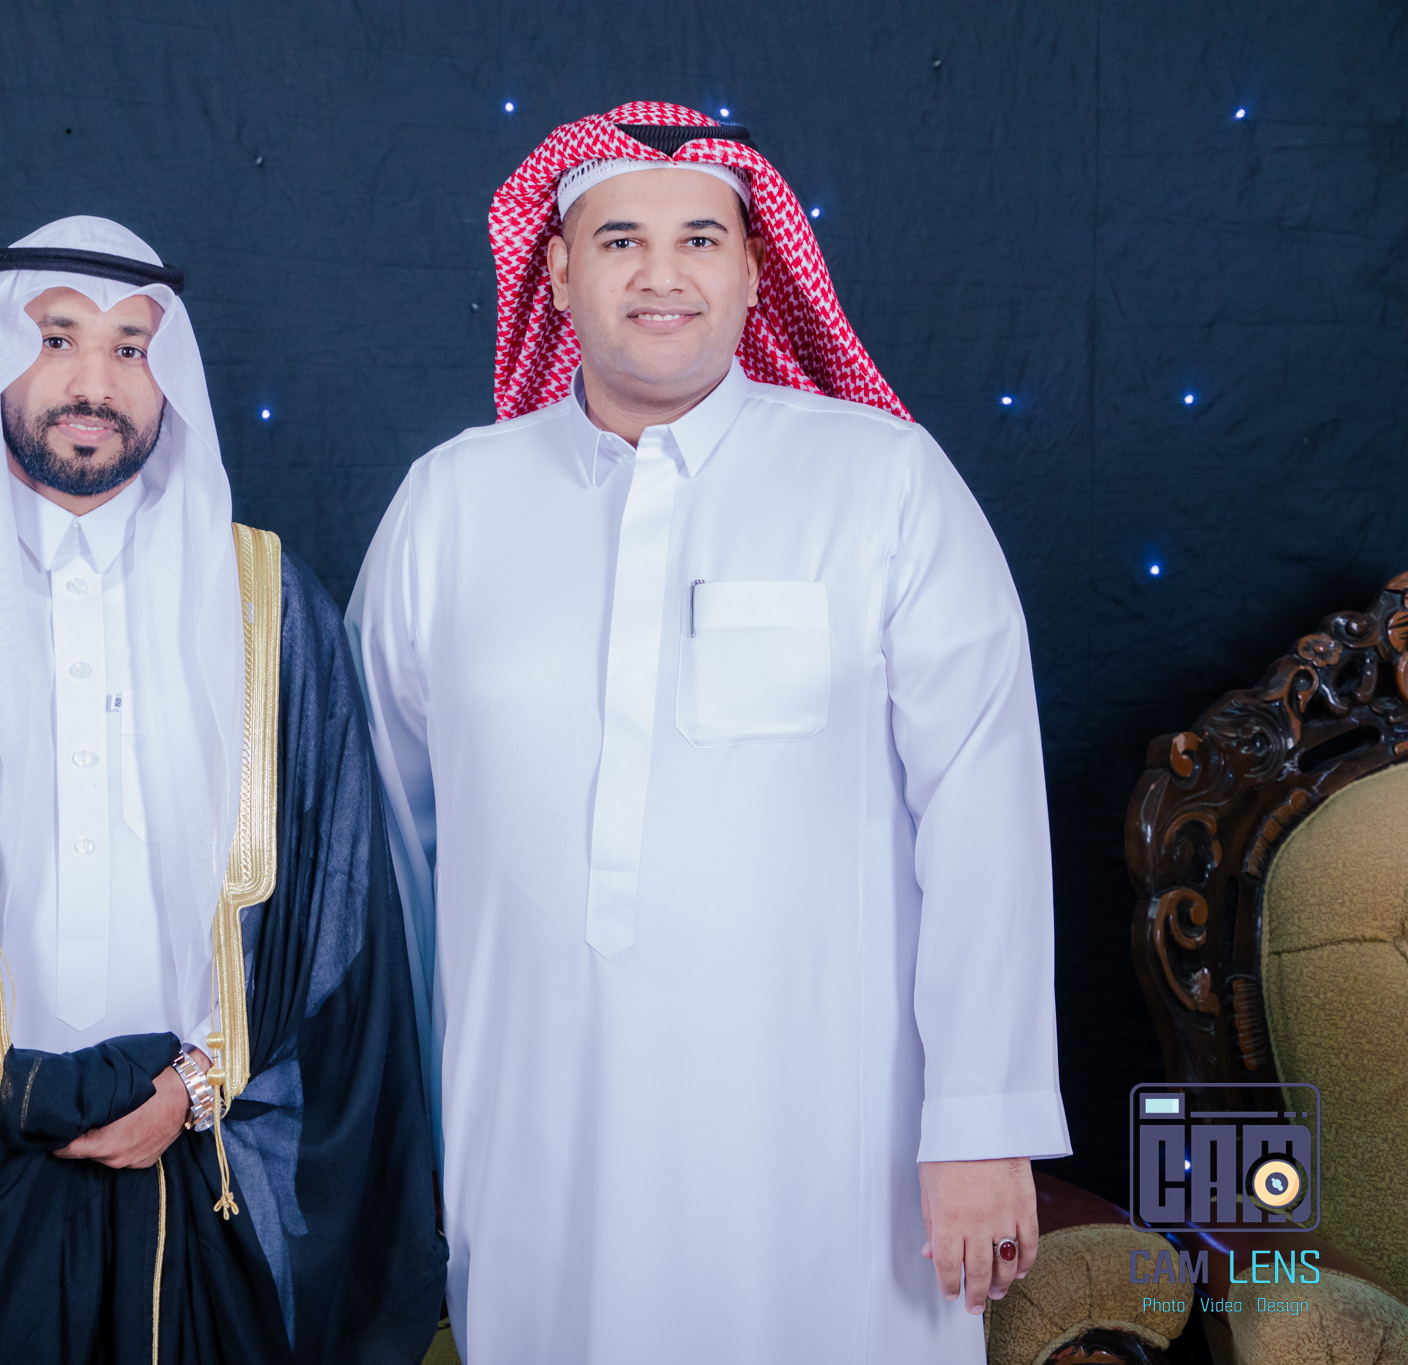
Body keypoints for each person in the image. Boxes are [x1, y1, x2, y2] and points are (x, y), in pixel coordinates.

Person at [347, 103, 1070, 1361]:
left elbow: (981, 810)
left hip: (835, 1159)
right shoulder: (448, 504)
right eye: (618, 240)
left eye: (698, 239)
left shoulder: (882, 482)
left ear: (751, 272)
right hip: (529, 1145)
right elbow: (379, 853)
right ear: (554, 273)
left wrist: (979, 1119)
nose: (660, 274)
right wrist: (394, 1140)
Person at [0, 215, 444, 1365]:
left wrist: (197, 1086)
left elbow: (343, 913)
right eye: (57, 339)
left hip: (210, 1159)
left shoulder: (267, 605)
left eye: (130, 348)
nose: (93, 382)